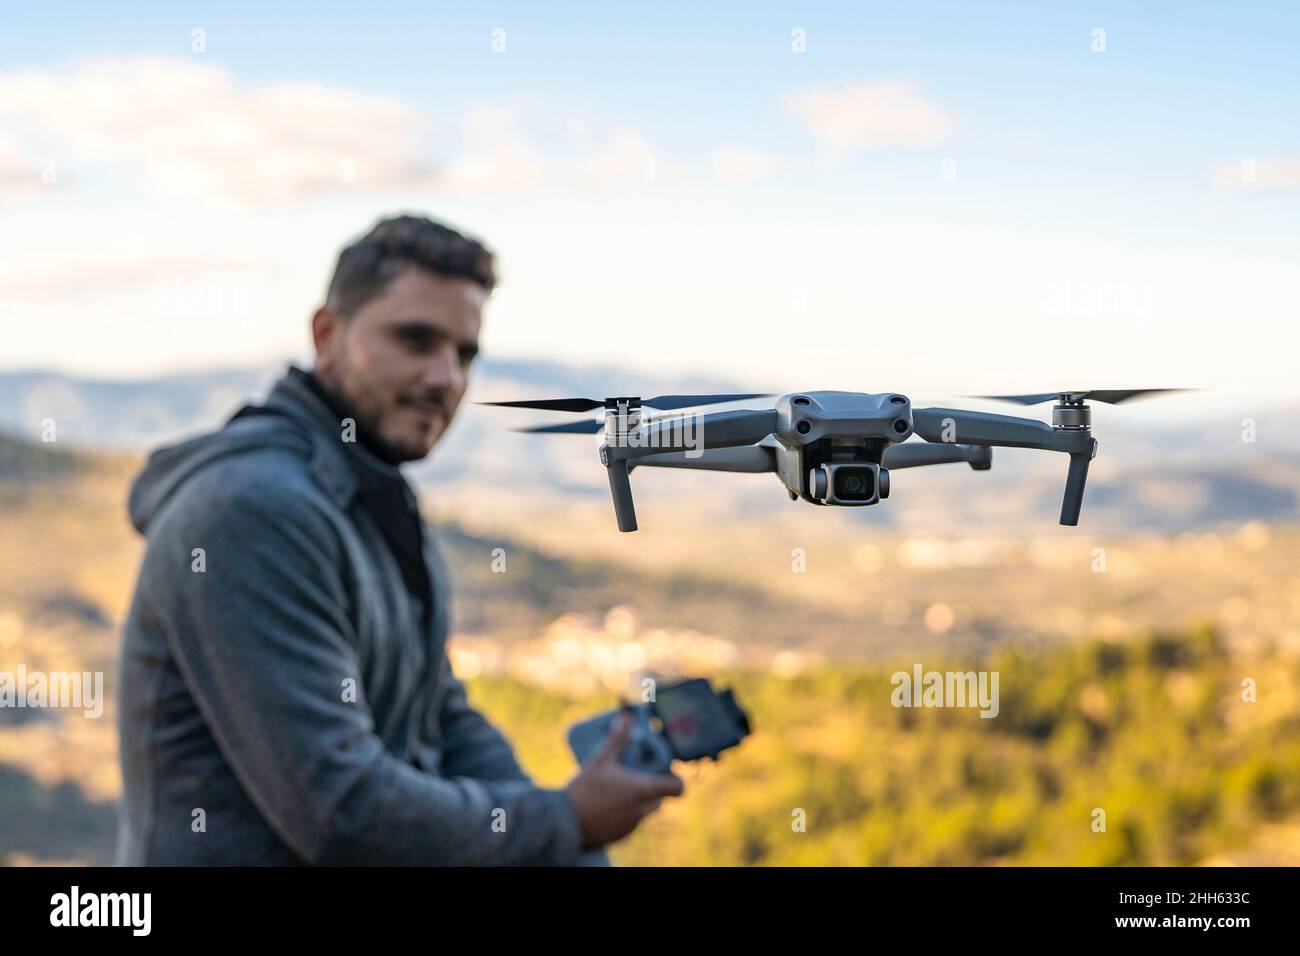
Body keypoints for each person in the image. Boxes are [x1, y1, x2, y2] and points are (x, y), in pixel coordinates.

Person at [115, 214, 683, 865]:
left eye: (464, 354)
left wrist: (562, 840)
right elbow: (342, 811)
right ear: (326, 335)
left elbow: (437, 713)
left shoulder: (367, 492)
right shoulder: (253, 512)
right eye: (415, 340)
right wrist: (563, 820)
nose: (446, 378)